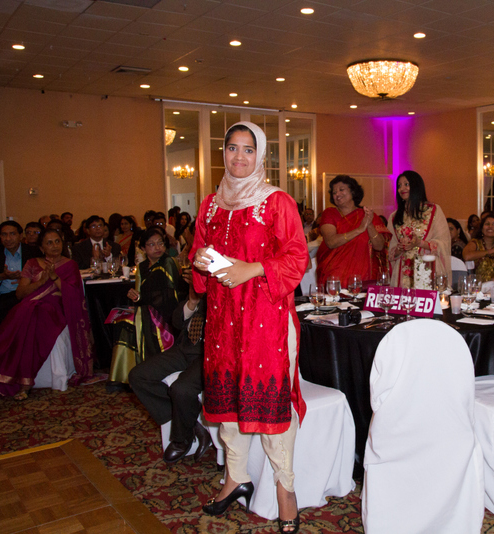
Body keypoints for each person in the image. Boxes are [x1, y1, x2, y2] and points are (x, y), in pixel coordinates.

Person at [191, 121, 307, 532]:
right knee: (228, 404)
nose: (239, 157)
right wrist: (200, 262)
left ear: (261, 156)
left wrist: (253, 268)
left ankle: (285, 487)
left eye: (248, 149)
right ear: (222, 152)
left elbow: (297, 258)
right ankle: (235, 476)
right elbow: (199, 259)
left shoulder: (276, 202)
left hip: (265, 318)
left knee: (270, 403)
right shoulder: (210, 204)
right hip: (223, 320)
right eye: (232, 148)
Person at [0, 227, 94, 399]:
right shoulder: (32, 263)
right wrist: (41, 281)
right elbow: (20, 293)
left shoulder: (70, 265)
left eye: (57, 242)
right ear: (42, 248)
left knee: (35, 313)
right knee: (25, 312)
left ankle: (25, 383)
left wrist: (54, 277)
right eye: (49, 243)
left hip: (56, 308)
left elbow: (74, 295)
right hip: (31, 305)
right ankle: (14, 374)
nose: (54, 246)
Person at [128, 269, 211, 465]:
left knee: (181, 389)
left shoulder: (225, 290)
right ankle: (191, 423)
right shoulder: (195, 290)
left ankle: (182, 439)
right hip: (184, 348)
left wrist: (208, 294)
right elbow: (177, 322)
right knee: (138, 376)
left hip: (208, 353)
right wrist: (192, 301)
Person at [108, 227, 184, 389]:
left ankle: (140, 373)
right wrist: (135, 296)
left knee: (128, 323)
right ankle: (124, 375)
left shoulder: (168, 262)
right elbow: (141, 294)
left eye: (160, 243)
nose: (157, 248)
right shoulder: (142, 267)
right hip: (147, 309)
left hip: (165, 314)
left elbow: (168, 296)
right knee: (120, 321)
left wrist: (141, 299)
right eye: (151, 244)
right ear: (142, 248)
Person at [315, 175, 389, 287]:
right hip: (336, 277)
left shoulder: (367, 215)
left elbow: (379, 246)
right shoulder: (330, 214)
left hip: (364, 278)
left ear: (353, 192)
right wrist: (359, 230)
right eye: (334, 192)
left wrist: (369, 224)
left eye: (341, 189)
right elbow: (331, 242)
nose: (337, 194)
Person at [0, 221, 41, 336]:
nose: (8, 238)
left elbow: (44, 276)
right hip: (1, 298)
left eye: (12, 234)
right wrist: (1, 276)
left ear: (20, 236)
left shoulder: (33, 252)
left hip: (27, 296)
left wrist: (25, 280)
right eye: (4, 234)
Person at [388, 170, 451, 289]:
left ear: (416, 186)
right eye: (399, 185)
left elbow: (444, 243)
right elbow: (390, 250)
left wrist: (419, 243)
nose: (402, 189)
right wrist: (399, 248)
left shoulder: (433, 211)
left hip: (427, 269)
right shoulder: (394, 217)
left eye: (406, 184)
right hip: (402, 274)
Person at [462, 213, 494, 282]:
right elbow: (466, 256)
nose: (490, 226)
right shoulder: (475, 243)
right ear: (482, 228)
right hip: (478, 286)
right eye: (487, 224)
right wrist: (491, 251)